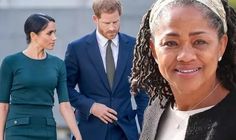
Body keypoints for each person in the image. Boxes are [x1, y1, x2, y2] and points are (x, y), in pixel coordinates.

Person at [130, 0, 236, 139]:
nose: (185, 56)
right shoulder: (154, 112)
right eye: (171, 43)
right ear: (154, 51)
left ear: (221, 45)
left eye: (199, 42)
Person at [64, 0, 149, 140]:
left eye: (115, 22)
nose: (112, 28)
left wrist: (147, 133)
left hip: (125, 132)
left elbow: (142, 95)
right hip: (90, 130)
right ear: (95, 19)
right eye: (106, 23)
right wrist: (91, 106)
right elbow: (65, 88)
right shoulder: (77, 48)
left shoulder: (134, 46)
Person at [0, 13, 82, 140]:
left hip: (47, 129)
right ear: (33, 35)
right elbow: (3, 105)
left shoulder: (58, 64)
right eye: (49, 33)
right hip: (17, 130)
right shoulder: (10, 62)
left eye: (55, 32)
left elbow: (65, 105)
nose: (54, 37)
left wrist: (78, 136)